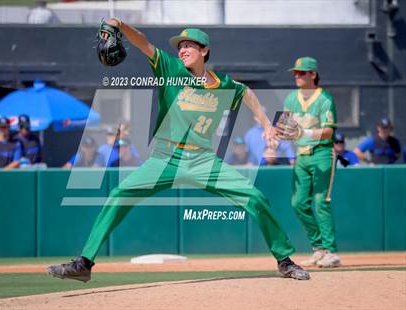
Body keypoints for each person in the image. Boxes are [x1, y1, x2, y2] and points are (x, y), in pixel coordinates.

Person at [47, 22, 309, 282]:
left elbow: (246, 92)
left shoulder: (221, 84)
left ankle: (284, 261)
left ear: (204, 50)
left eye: (188, 46)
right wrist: (120, 25)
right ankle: (84, 263)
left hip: (202, 160)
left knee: (255, 197)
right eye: (180, 46)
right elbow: (143, 42)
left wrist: (265, 124)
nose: (182, 50)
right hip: (165, 157)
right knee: (119, 195)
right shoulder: (170, 69)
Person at [282, 57, 341, 268]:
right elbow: (283, 125)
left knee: (320, 201)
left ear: (313, 74)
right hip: (302, 155)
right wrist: (273, 135)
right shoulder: (290, 98)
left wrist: (303, 132)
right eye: (295, 73)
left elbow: (328, 132)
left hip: (322, 153)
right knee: (298, 203)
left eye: (302, 73)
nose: (297, 76)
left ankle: (331, 252)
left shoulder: (324, 98)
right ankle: (319, 249)